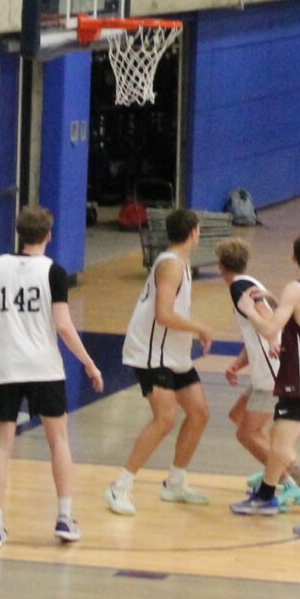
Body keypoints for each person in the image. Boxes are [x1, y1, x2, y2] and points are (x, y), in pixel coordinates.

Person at [0, 206, 104, 547]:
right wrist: (89, 363)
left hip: (4, 367)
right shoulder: (53, 272)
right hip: (44, 367)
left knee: (1, 445)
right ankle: (64, 517)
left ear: (19, 233)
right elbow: (63, 326)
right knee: (58, 441)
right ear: (49, 235)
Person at [104, 209, 214, 517]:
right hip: (150, 351)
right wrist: (200, 328)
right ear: (193, 232)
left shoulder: (181, 262)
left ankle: (175, 483)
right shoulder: (170, 265)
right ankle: (119, 487)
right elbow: (163, 315)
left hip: (172, 351)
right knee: (165, 418)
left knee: (199, 412)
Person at [237, 234, 300, 537]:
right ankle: (266, 494)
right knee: (276, 437)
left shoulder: (295, 289)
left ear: (292, 256)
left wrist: (249, 309)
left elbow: (271, 329)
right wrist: (273, 299)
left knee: (282, 446)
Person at [214, 239, 300, 514]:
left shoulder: (239, 288)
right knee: (238, 416)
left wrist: (276, 340)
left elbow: (267, 321)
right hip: (265, 372)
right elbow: (259, 329)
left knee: (247, 433)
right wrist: (238, 364)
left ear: (220, 265)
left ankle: (287, 482)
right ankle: (272, 469)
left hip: (273, 376)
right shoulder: (250, 282)